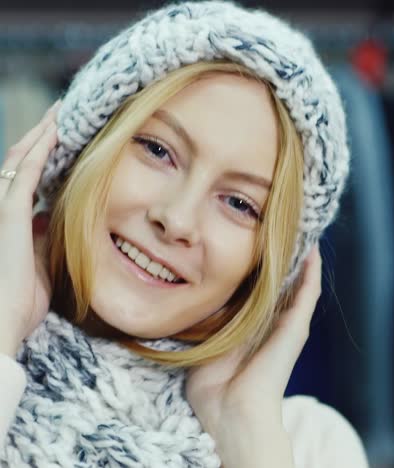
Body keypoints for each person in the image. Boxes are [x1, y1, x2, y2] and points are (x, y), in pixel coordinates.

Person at [0, 1, 368, 467]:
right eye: (158, 150)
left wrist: (244, 431)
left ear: (270, 266)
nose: (177, 220)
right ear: (76, 153)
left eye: (239, 204)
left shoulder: (309, 444)